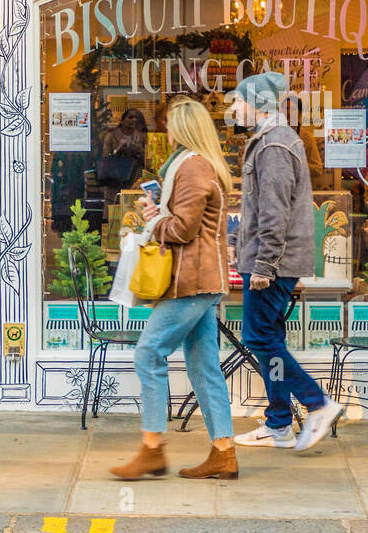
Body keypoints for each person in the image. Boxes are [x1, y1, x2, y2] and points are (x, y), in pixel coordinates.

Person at [110, 98, 237, 481]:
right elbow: (186, 221)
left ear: (185, 129)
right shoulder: (198, 165)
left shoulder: (193, 166)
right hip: (201, 280)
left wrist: (156, 224)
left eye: (170, 126)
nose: (165, 132)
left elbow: (183, 228)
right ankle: (224, 452)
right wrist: (159, 214)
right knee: (204, 366)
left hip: (191, 282)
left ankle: (152, 448)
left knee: (148, 354)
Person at [229, 71, 345, 452]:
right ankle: (278, 424)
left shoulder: (274, 146)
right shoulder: (271, 141)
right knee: (270, 339)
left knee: (258, 337)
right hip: (272, 261)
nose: (232, 108)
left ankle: (318, 403)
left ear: (258, 104)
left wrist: (264, 266)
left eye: (238, 101)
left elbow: (275, 214)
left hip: (270, 266)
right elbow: (260, 209)